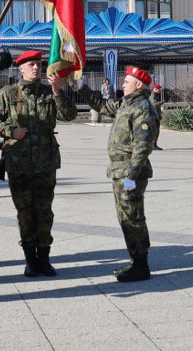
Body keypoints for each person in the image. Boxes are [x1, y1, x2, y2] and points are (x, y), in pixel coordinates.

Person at [0, 50, 77, 278]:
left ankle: (44, 259)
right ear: (21, 69)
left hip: (46, 163)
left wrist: (58, 92)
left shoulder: (49, 93)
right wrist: (10, 131)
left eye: (38, 64)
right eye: (31, 65)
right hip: (19, 164)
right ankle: (30, 260)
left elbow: (69, 115)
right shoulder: (8, 94)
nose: (36, 68)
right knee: (25, 212)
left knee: (45, 212)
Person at [78, 66, 159, 282]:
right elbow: (103, 106)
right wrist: (82, 88)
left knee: (133, 217)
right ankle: (135, 260)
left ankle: (141, 264)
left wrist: (131, 177)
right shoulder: (126, 104)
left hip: (130, 173)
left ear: (139, 85)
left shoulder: (142, 108)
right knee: (125, 216)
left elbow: (142, 146)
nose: (123, 84)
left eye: (127, 81)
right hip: (119, 171)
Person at [149, 83, 164, 150]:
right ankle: (153, 145)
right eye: (159, 89)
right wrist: (162, 102)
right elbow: (154, 104)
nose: (160, 90)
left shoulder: (156, 95)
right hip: (154, 116)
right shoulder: (153, 96)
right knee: (155, 131)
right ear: (155, 89)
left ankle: (154, 144)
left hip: (156, 115)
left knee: (156, 131)